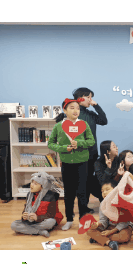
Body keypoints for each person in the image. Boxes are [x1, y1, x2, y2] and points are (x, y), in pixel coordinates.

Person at [48, 98, 95, 230]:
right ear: (65, 110)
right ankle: (69, 219)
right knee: (68, 193)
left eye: (78, 108)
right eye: (72, 108)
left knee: (82, 192)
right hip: (67, 164)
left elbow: (91, 141)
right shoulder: (58, 126)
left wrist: (79, 143)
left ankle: (82, 220)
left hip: (82, 163)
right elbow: (50, 144)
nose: (76, 111)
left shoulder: (84, 124)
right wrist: (64, 148)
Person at [73, 87, 108, 212]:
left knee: (88, 179)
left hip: (92, 153)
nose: (90, 100)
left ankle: (85, 206)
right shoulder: (73, 114)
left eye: (91, 97)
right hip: (79, 154)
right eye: (88, 97)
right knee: (82, 181)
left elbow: (104, 121)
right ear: (80, 98)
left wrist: (96, 106)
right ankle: (82, 207)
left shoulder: (90, 114)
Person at [87, 180, 133, 250]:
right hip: (110, 226)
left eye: (107, 189)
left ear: (116, 190)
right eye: (102, 191)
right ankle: (109, 242)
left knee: (124, 237)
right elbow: (103, 221)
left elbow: (124, 223)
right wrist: (97, 224)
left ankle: (99, 238)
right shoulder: (103, 204)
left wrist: (111, 232)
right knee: (89, 230)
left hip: (124, 226)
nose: (104, 192)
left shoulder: (122, 202)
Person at [11, 172, 64, 236]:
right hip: (32, 221)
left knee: (50, 222)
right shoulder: (29, 195)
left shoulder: (51, 196)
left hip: (43, 220)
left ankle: (28, 229)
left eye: (35, 184)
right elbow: (25, 209)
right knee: (13, 225)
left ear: (42, 187)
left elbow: (51, 214)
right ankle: (39, 231)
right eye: (32, 182)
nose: (31, 185)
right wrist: (24, 217)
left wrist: (37, 218)